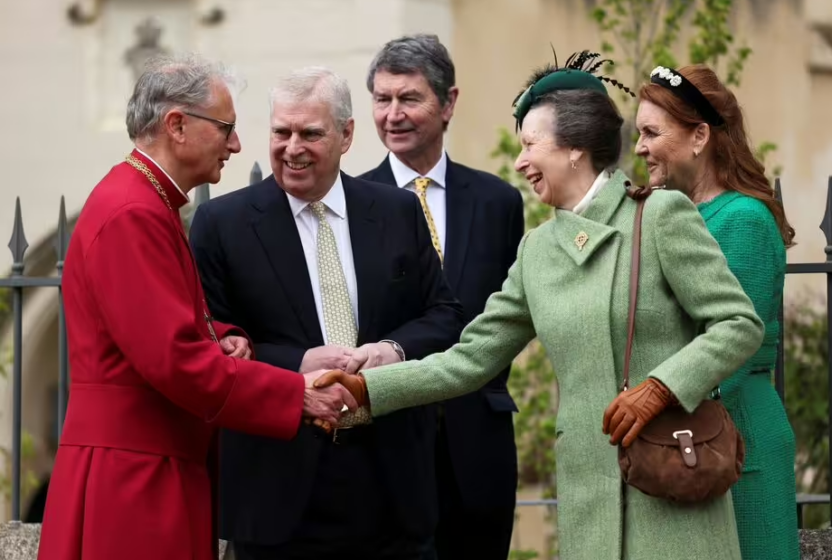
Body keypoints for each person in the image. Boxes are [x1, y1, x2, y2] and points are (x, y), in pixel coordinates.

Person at [313, 51, 766, 560]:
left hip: (674, 491)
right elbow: (469, 361)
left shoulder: (659, 216)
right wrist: (366, 388)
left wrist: (661, 388)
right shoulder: (537, 252)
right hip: (588, 503)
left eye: (531, 144)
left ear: (574, 149)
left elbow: (737, 324)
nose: (521, 161)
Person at [36, 54, 356, 560]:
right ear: (177, 125)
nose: (236, 144)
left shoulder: (145, 201)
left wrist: (224, 336)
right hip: (134, 473)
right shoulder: (131, 213)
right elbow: (174, 359)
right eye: (226, 127)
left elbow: (165, 324)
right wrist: (294, 393)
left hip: (148, 461)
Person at [189, 66, 465, 560]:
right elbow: (212, 345)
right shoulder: (220, 225)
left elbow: (444, 314)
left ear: (346, 134)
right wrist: (297, 364)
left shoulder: (398, 212)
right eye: (281, 132)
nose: (292, 147)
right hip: (278, 492)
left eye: (310, 133)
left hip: (393, 490)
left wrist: (392, 350)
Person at [359, 34, 524, 560]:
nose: (392, 114)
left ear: (448, 102)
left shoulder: (498, 202)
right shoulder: (351, 203)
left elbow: (511, 314)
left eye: (409, 99)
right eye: (382, 100)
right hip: (385, 445)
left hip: (478, 443)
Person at [635, 63, 800, 560]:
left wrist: (651, 408)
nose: (639, 147)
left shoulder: (744, 219)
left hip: (735, 439)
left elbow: (730, 349)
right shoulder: (678, 215)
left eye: (651, 132)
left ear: (700, 135)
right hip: (694, 435)